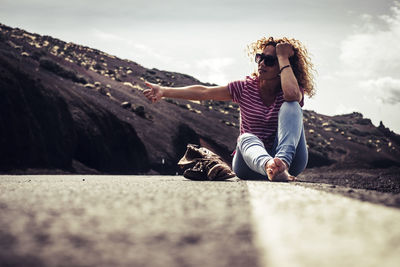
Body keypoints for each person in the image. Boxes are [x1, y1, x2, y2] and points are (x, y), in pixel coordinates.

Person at [143, 36, 315, 181]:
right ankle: (270, 166)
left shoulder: (290, 89)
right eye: (259, 57)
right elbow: (204, 92)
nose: (261, 63)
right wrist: (164, 91)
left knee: (292, 106)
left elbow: (292, 96)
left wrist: (283, 56)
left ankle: (281, 165)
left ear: (283, 67)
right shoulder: (244, 88)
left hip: (291, 161)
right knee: (246, 137)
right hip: (250, 163)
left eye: (270, 61)